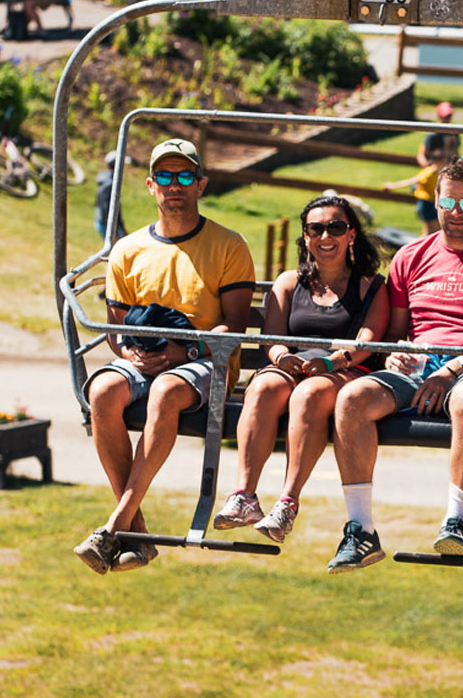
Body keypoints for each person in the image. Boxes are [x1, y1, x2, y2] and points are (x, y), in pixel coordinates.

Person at [326, 159, 463, 573]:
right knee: (351, 398)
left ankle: (456, 521)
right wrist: (397, 352)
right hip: (419, 365)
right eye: (447, 202)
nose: (455, 212)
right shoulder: (410, 257)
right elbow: (398, 330)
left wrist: (453, 368)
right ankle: (360, 530)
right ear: (435, 202)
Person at [74, 139, 256, 574]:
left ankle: (118, 523)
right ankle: (135, 531)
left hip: (204, 360)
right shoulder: (127, 251)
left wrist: (185, 349)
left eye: (186, 177)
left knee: (166, 393)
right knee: (102, 390)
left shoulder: (228, 246)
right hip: (144, 358)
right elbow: (115, 330)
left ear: (201, 185)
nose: (176, 186)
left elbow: (233, 326)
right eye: (167, 178)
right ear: (151, 186)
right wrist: (133, 353)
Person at [213, 195, 389, 543]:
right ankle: (244, 495)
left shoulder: (370, 285)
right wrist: (281, 358)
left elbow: (367, 342)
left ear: (351, 235)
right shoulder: (290, 283)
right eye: (316, 229)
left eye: (336, 228)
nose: (326, 237)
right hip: (292, 367)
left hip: (343, 369)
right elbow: (273, 339)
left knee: (308, 393)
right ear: (306, 236)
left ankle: (287, 502)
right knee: (263, 388)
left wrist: (330, 362)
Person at [381, 145, 444, 236]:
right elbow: (411, 181)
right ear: (437, 161)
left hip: (434, 204)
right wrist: (392, 186)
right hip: (427, 204)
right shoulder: (428, 173)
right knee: (429, 233)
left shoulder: (441, 172)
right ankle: (421, 249)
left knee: (437, 231)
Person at [95, 150, 129, 243]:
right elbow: (105, 208)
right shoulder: (109, 184)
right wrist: (113, 232)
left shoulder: (110, 181)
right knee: (113, 250)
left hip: (110, 223)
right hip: (107, 224)